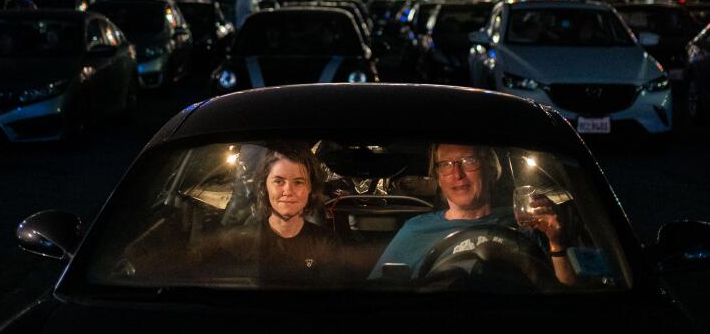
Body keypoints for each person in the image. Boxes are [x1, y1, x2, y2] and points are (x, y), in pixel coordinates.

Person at [370, 143, 575, 286]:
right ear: (439, 179)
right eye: (446, 165)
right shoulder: (417, 230)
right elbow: (379, 296)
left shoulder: (527, 222)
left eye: (469, 161)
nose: (457, 175)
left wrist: (556, 242)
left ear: (491, 169)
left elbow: (565, 297)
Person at [218, 146, 341, 285]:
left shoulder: (327, 243)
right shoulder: (238, 242)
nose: (288, 191)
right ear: (265, 186)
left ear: (310, 188)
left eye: (298, 182)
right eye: (278, 181)